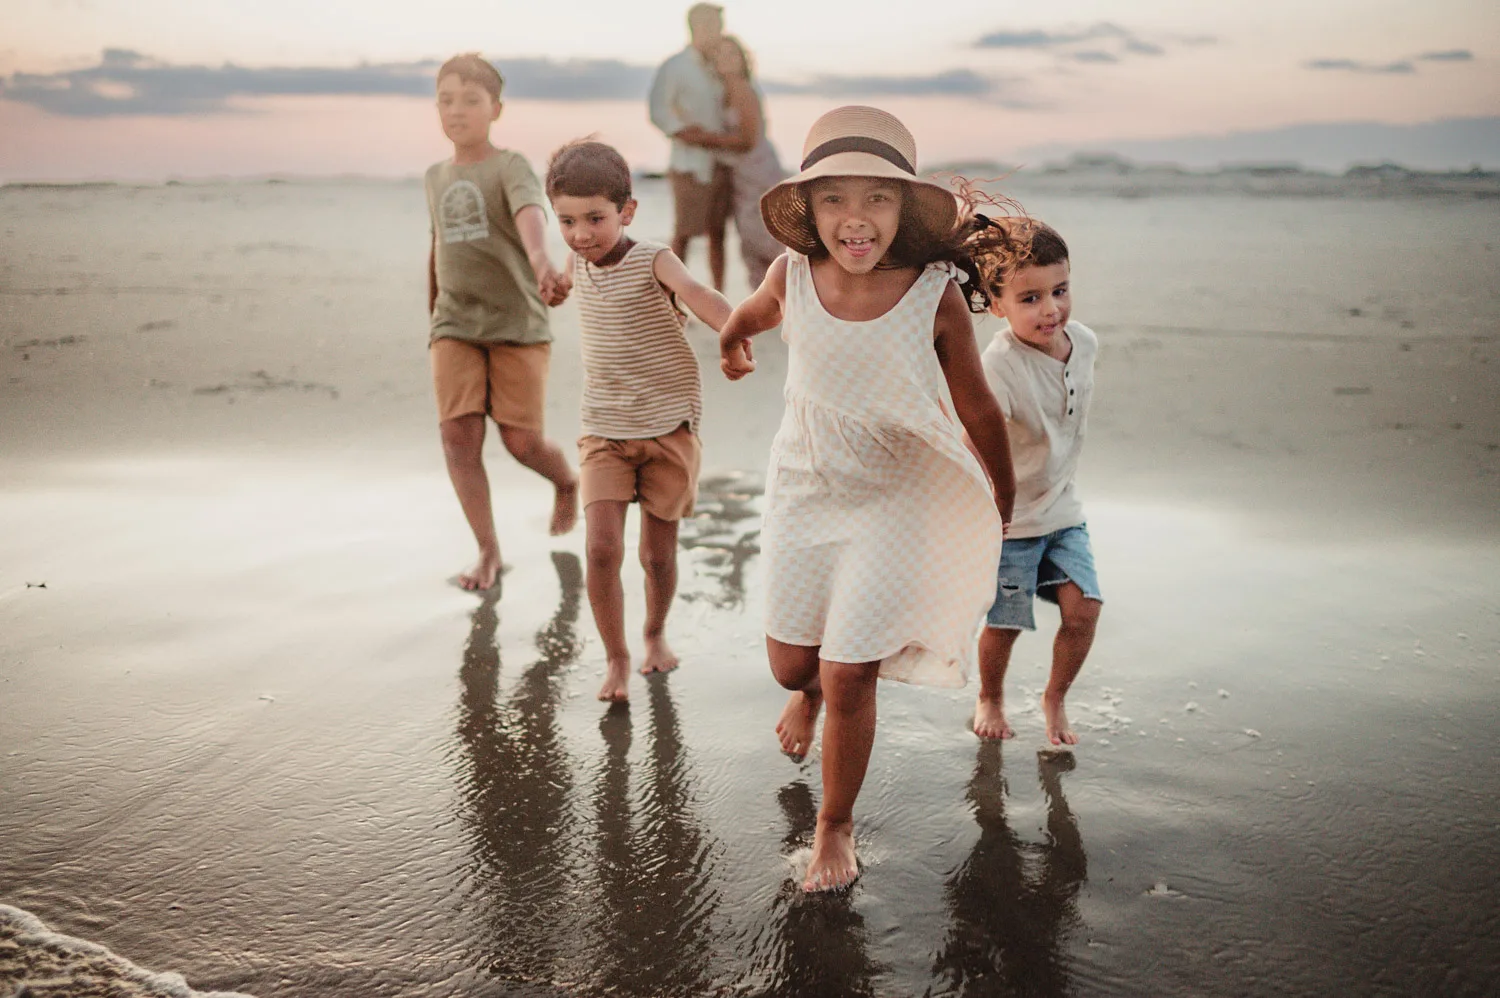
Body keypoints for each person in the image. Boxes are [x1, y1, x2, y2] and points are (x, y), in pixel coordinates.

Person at [719, 106, 1016, 892]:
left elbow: (980, 408)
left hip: (895, 496)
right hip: (805, 489)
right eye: (834, 200)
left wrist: (1002, 503)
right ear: (810, 213)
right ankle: (807, 699)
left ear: (903, 209)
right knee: (794, 667)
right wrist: (731, 340)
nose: (856, 218)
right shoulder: (792, 274)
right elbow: (750, 312)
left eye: (877, 198)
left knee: (851, 672)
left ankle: (834, 826)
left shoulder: (933, 294)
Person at [545, 140, 734, 703]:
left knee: (657, 555)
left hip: (668, 428)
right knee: (601, 548)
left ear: (627, 211)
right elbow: (565, 286)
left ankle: (654, 634)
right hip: (603, 427)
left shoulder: (654, 257)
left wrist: (737, 333)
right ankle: (617, 657)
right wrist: (553, 287)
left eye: (595, 219)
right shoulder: (577, 259)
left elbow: (698, 294)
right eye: (568, 221)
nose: (581, 234)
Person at [426, 53, 577, 592]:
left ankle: (565, 482)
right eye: (446, 100)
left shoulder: (509, 166)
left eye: (470, 99)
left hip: (518, 322)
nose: (457, 110)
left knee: (521, 442)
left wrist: (541, 263)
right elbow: (439, 245)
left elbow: (529, 218)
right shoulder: (434, 176)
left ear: (496, 108)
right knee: (457, 436)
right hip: (454, 325)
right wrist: (434, 314)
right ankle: (488, 552)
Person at [966, 217, 1102, 747]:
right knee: (1006, 623)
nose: (1051, 309)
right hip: (1012, 520)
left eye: (1060, 291)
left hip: (1063, 508)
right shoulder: (998, 365)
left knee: (1084, 608)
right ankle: (991, 695)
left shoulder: (1085, 343)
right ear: (996, 304)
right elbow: (975, 437)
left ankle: (1055, 695)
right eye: (1030, 298)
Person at [648, 2, 736, 291]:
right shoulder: (676, 66)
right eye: (713, 26)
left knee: (718, 234)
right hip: (687, 163)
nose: (718, 32)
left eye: (719, 26)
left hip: (721, 162)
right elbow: (658, 110)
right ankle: (672, 300)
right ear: (697, 27)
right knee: (684, 234)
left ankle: (719, 298)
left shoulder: (718, 67)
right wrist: (685, 133)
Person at [692, 34, 787, 289]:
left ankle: (787, 296)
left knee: (765, 234)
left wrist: (703, 138)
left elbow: (747, 140)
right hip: (739, 174)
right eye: (719, 54)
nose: (725, 60)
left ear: (742, 59)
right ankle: (768, 298)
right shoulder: (721, 92)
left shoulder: (744, 89)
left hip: (758, 171)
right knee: (749, 237)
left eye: (731, 54)